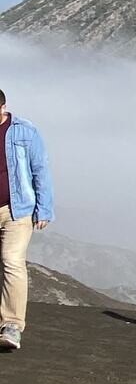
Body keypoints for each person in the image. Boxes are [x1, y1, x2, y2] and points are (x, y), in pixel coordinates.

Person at [0, 89, 54, 352]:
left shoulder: (24, 131)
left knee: (12, 261)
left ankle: (11, 325)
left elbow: (40, 168)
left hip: (16, 210)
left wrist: (44, 209)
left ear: (3, 107)